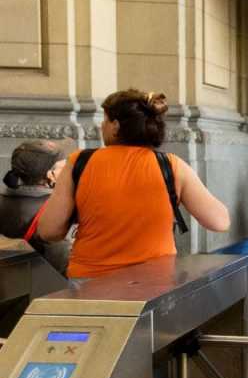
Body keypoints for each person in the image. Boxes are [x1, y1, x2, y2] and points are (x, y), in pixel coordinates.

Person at [38, 89, 231, 280]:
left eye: (104, 121)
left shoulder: (79, 162)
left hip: (91, 282)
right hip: (154, 282)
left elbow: (49, 231)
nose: (102, 127)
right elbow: (219, 222)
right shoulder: (171, 166)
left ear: (115, 125)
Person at [0, 140, 71, 274]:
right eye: (64, 165)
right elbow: (62, 263)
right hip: (46, 287)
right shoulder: (57, 209)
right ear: (51, 175)